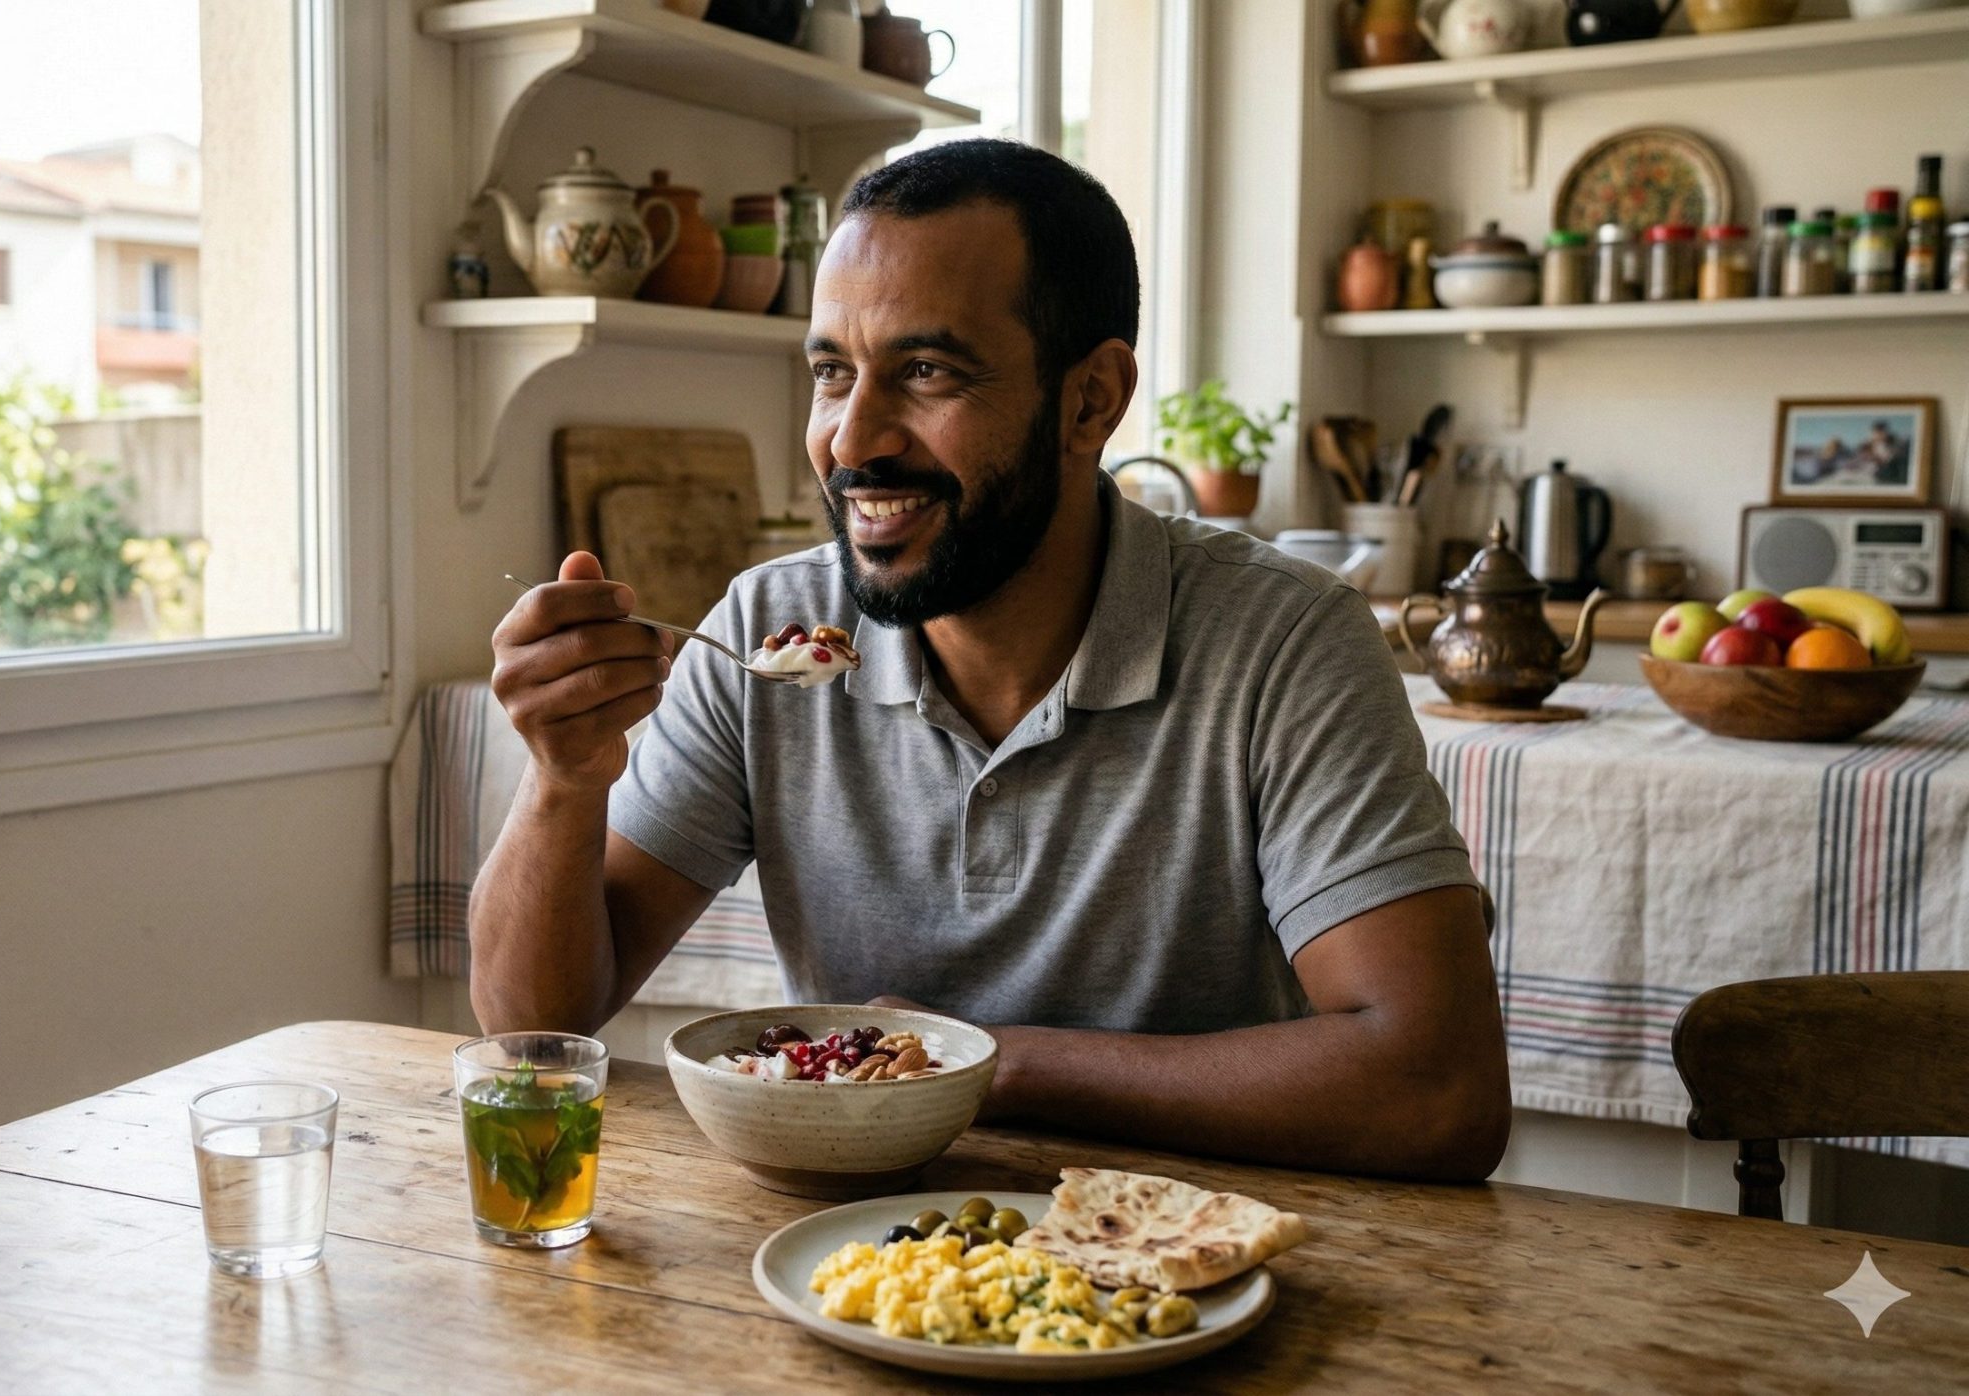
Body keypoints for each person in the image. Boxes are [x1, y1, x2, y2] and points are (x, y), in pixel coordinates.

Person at [471, 140, 1510, 1183]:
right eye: (832, 373)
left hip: (1195, 1266)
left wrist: (986, 1063)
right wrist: (563, 779)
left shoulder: (1283, 642)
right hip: (843, 1265)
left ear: (1091, 401)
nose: (850, 439)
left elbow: (1438, 1090)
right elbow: (532, 1024)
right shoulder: (769, 630)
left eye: (925, 372)